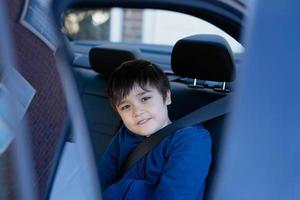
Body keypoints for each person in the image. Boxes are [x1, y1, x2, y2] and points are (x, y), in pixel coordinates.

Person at [99, 59, 211, 199]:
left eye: (145, 99)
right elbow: (98, 183)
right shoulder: (125, 135)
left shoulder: (190, 141)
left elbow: (176, 195)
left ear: (167, 97)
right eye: (126, 107)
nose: (137, 112)